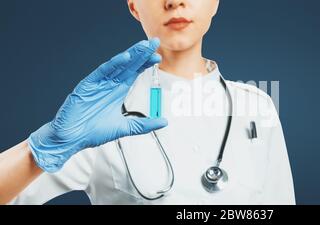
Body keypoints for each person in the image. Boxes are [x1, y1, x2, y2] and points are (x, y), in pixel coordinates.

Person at [0, 0, 295, 205]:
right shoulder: (101, 116)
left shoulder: (258, 105)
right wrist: (44, 147)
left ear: (215, 1)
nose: (174, 1)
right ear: (134, 6)